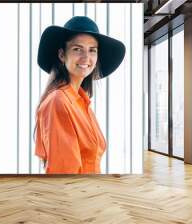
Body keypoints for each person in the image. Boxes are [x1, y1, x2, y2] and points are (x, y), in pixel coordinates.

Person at [35, 16, 125, 174]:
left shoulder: (82, 101)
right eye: (77, 49)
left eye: (92, 50)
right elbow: (64, 172)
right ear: (62, 55)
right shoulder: (59, 101)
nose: (86, 58)